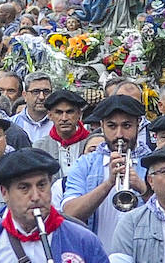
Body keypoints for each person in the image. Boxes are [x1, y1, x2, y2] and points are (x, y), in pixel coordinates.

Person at [63, 95, 150, 245]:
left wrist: (144, 190)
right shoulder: (85, 163)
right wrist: (108, 183)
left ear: (138, 123)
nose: (119, 134)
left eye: (127, 126)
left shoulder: (152, 163)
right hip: (97, 259)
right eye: (112, 126)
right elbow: (70, 213)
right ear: (102, 125)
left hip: (141, 259)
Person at [33, 88, 93, 181]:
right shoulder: (40, 147)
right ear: (50, 115)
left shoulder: (91, 144)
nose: (64, 118)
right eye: (59, 112)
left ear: (79, 114)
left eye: (69, 112)